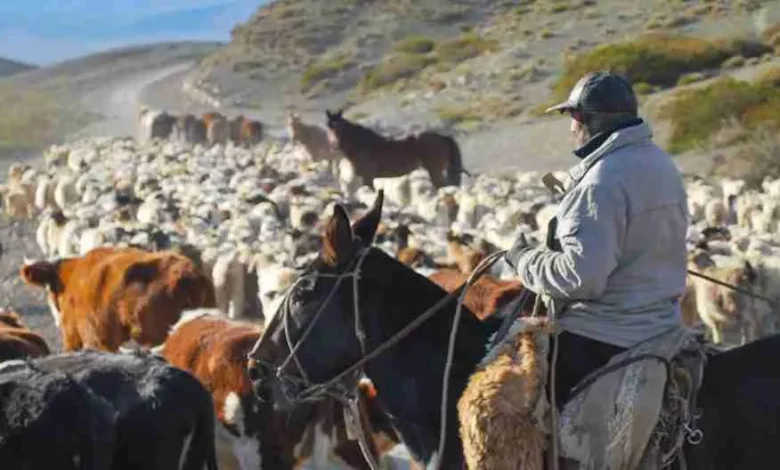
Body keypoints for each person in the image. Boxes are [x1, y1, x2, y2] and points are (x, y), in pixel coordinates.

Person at [503, 71, 689, 410]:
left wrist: (524, 259)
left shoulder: (599, 183)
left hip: (606, 334)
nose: (571, 129)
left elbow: (580, 278)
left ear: (586, 120)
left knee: (501, 399)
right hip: (664, 324)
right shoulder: (660, 162)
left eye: (572, 118)